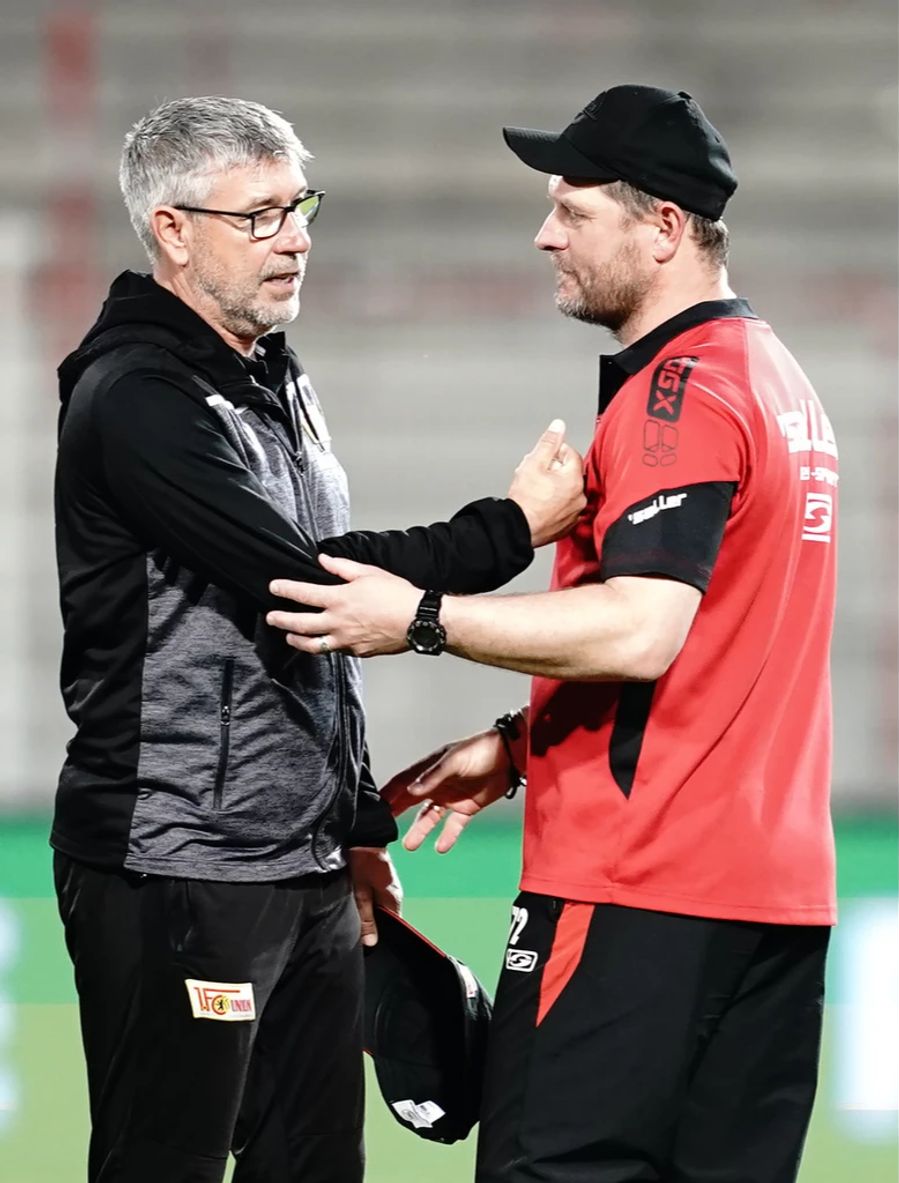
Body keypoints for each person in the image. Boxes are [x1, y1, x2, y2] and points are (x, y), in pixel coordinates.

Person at [265, 84, 840, 1183]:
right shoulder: (777, 382)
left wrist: (421, 619)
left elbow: (643, 629)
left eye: (573, 210)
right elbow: (733, 648)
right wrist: (523, 747)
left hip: (638, 893)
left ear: (664, 226)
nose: (545, 233)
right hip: (771, 907)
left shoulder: (682, 389)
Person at [51, 95, 586, 1183]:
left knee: (316, 1166)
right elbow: (302, 584)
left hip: (298, 869)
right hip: (175, 865)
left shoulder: (270, 374)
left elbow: (302, 655)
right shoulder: (135, 397)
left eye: (299, 206)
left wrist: (346, 829)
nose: (296, 234)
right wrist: (510, 529)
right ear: (171, 229)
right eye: (260, 215)